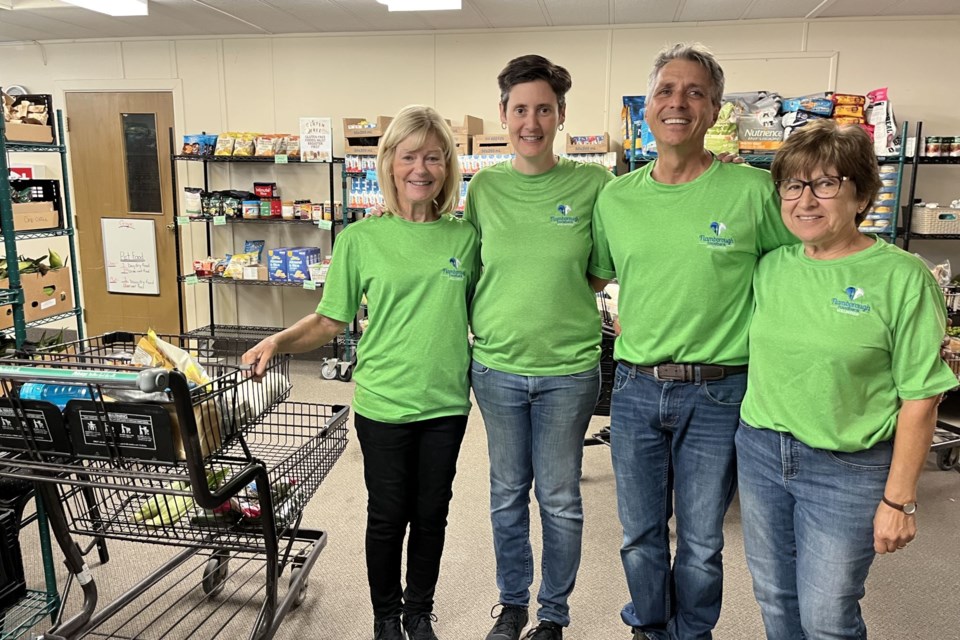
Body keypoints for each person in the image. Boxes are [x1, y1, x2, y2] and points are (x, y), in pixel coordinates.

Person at [242, 105, 479, 640]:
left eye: (433, 157)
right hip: (383, 404)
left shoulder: (465, 238)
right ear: (389, 163)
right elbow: (329, 320)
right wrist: (278, 341)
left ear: (447, 167)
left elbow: (488, 306)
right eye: (409, 156)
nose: (421, 169)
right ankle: (386, 617)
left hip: (445, 403)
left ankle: (419, 613)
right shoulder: (361, 239)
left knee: (432, 514)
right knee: (388, 515)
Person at [589, 43, 796, 640]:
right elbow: (596, 277)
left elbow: (797, 271)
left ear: (713, 111)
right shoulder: (616, 197)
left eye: (695, 92)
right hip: (634, 388)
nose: (677, 102)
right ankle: (650, 629)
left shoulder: (752, 191)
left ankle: (693, 633)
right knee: (640, 534)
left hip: (720, 390)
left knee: (703, 541)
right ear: (647, 108)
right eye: (665, 91)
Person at [736, 119, 957, 639]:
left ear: (861, 196)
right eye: (794, 185)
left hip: (848, 468)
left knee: (826, 616)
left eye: (826, 183)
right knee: (774, 596)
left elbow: (922, 397)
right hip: (763, 453)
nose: (806, 200)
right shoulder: (771, 266)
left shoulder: (903, 276)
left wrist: (899, 500)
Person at [464, 55, 614, 640]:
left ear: (560, 116)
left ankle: (553, 615)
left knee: (559, 497)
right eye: (520, 109)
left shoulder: (592, 183)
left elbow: (598, 272)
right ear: (504, 114)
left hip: (569, 371)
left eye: (543, 110)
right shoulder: (485, 188)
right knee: (506, 494)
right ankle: (511, 605)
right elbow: (474, 269)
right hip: (496, 368)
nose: (532, 121)